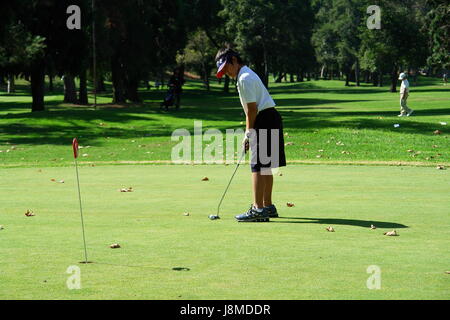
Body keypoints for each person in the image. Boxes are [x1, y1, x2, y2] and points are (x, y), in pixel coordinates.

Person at [215, 48, 286, 222]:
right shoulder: (247, 74)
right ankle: (267, 206)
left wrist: (248, 134)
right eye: (222, 72)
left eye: (226, 68)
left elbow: (252, 110)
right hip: (272, 117)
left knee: (257, 166)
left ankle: (258, 209)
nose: (226, 74)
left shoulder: (244, 78)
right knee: (266, 165)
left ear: (234, 60)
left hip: (263, 119)